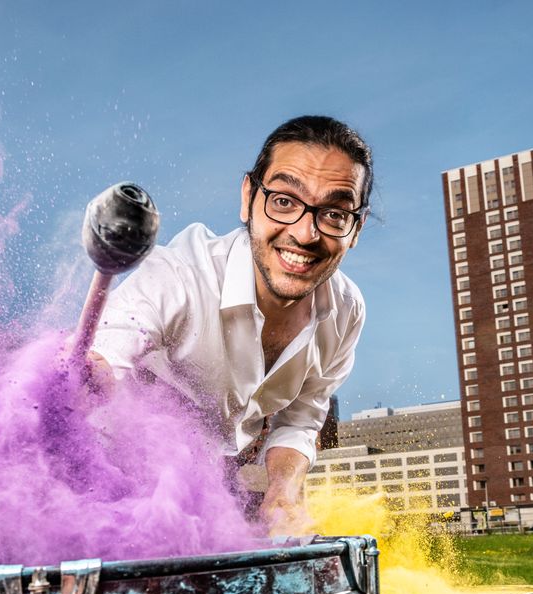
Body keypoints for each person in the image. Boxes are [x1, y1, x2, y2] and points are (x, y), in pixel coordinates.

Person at [87, 115, 371, 534]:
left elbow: (302, 417)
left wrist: (282, 494)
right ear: (248, 198)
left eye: (333, 214)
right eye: (284, 201)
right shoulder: (179, 274)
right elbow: (111, 350)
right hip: (107, 479)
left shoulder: (346, 311)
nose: (306, 234)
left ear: (355, 230)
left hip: (211, 481)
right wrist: (91, 372)